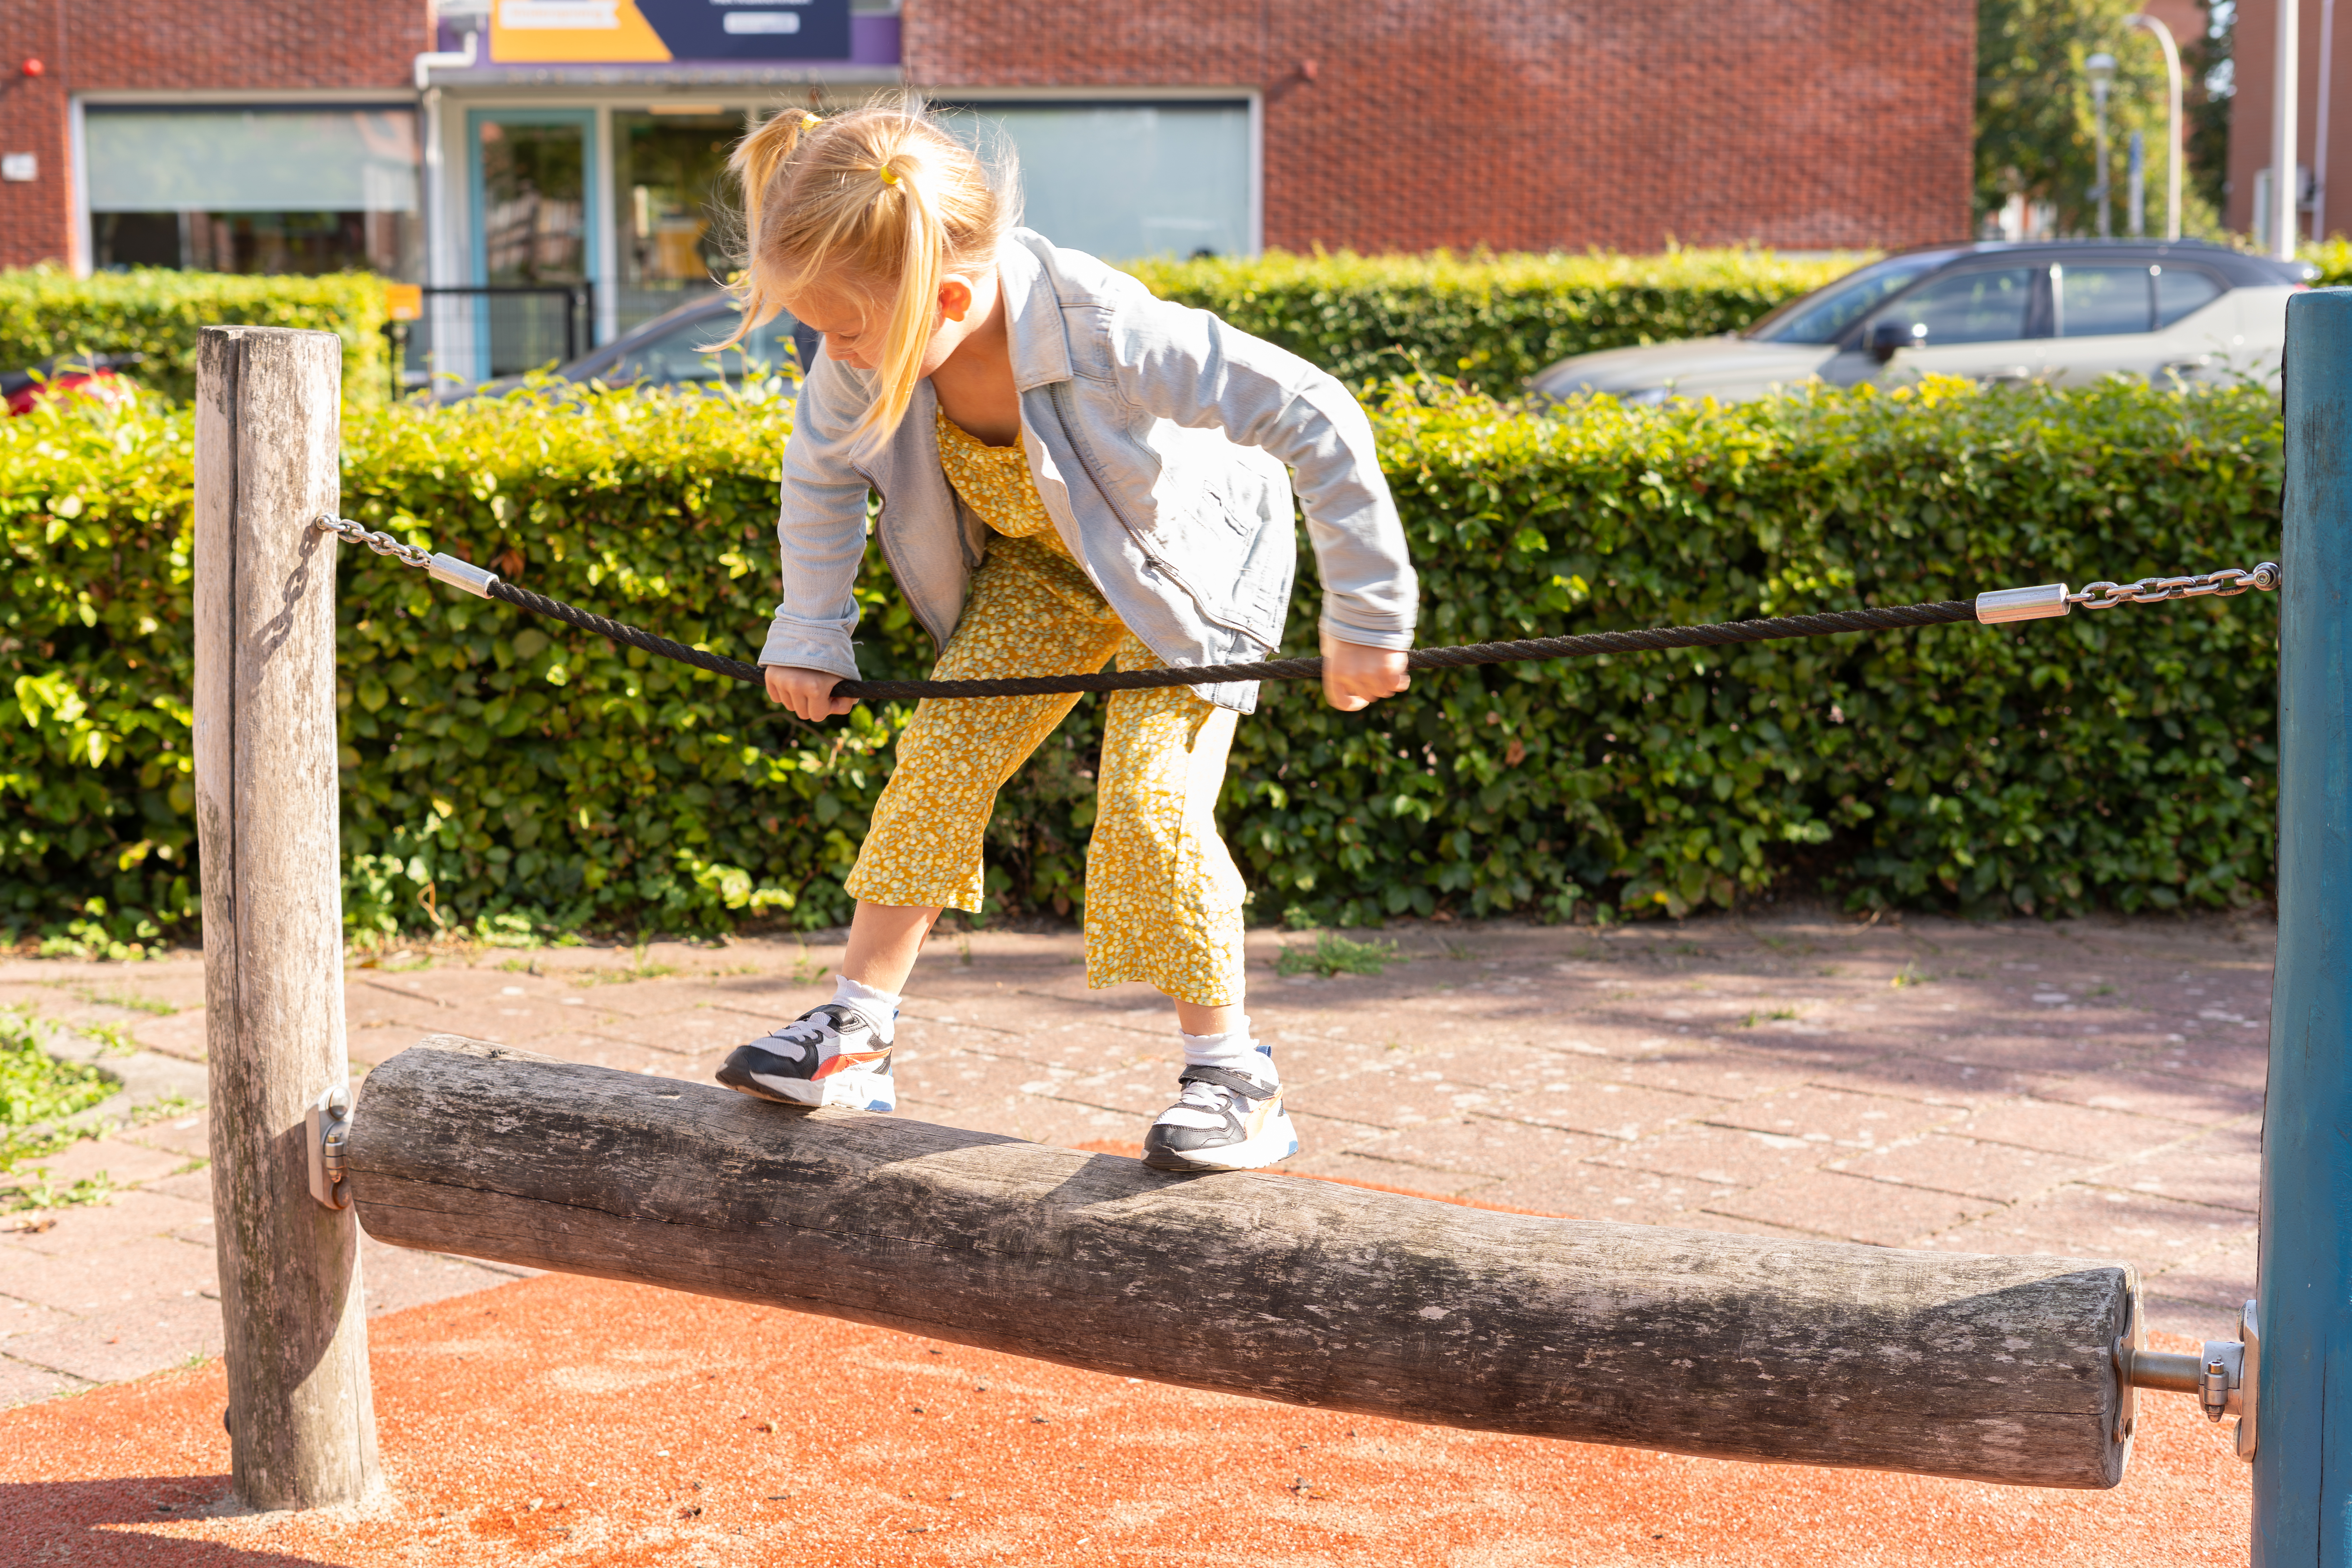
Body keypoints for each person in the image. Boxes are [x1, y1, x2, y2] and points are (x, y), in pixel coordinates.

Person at [713, 97, 1417, 1173]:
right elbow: (819, 477)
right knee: (939, 756)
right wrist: (811, 627)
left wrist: (1365, 613)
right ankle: (856, 1032)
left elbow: (1315, 412)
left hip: (1182, 577)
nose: (835, 354)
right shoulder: (869, 348)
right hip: (1044, 567)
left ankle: (1234, 1074)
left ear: (946, 296)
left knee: (1148, 803)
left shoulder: (1103, 329)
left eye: (845, 330)